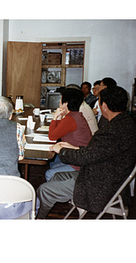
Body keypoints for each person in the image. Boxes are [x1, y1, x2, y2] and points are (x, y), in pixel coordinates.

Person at [36, 86, 136, 219]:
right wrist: (75, 148)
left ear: (104, 105)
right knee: (56, 177)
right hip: (107, 176)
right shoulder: (125, 123)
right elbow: (96, 152)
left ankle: (38, 220)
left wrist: (62, 150)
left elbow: (85, 158)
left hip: (100, 185)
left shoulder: (112, 131)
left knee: (43, 190)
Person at [45, 88, 92, 181]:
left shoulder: (70, 119)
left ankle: (55, 193)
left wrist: (55, 117)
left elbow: (52, 136)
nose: (59, 102)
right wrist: (58, 118)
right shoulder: (75, 115)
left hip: (80, 162)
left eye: (61, 99)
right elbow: (59, 130)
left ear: (66, 103)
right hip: (81, 157)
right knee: (52, 163)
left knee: (49, 173)